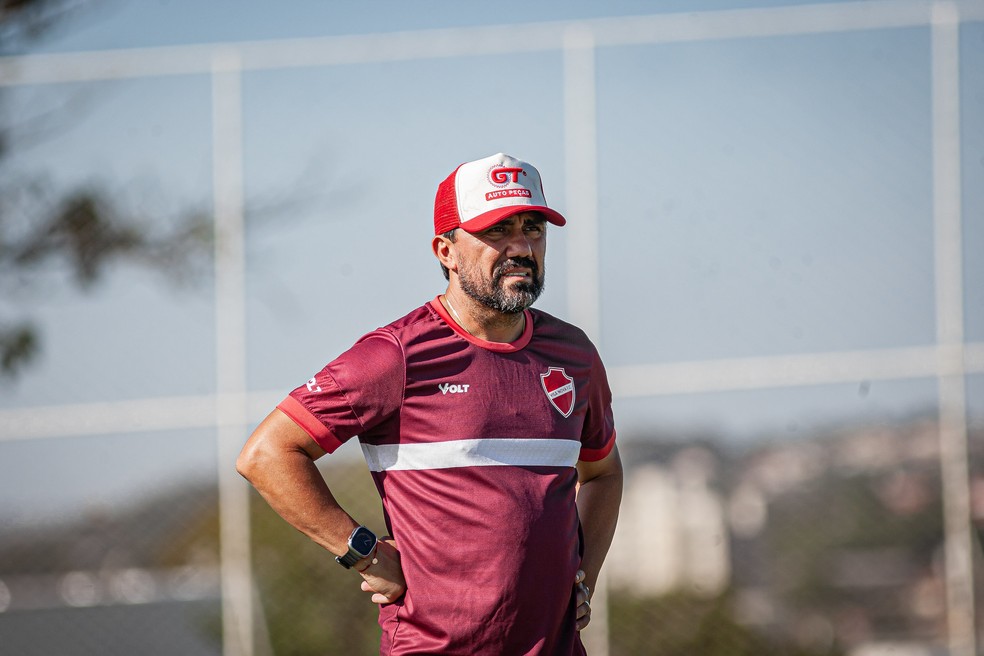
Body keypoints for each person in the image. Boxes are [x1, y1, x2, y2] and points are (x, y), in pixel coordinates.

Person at [237, 152, 623, 655]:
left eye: (533, 229)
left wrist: (583, 575)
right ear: (446, 250)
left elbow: (604, 473)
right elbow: (267, 455)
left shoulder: (574, 354)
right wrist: (364, 553)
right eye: (497, 232)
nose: (521, 247)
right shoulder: (394, 355)